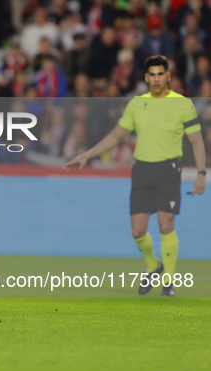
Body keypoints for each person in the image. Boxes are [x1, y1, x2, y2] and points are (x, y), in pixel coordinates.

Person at [64, 55, 206, 297]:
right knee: (137, 231)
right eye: (152, 74)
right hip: (142, 170)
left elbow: (196, 141)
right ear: (146, 77)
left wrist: (201, 173)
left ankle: (168, 283)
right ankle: (153, 265)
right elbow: (117, 135)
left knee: (165, 224)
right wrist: (88, 154)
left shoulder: (183, 104)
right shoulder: (137, 104)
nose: (157, 78)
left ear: (168, 76)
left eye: (161, 73)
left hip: (169, 169)